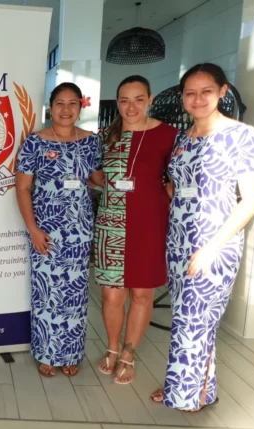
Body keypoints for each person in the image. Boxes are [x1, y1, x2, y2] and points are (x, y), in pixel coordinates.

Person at [150, 63, 254, 411]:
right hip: (179, 240)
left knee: (193, 318)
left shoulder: (242, 135)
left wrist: (210, 248)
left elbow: (251, 201)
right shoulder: (183, 138)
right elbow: (178, 187)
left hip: (215, 243)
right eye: (190, 92)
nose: (197, 99)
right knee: (192, 319)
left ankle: (185, 394)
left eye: (206, 91)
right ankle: (197, 387)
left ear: (222, 92)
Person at [92, 76, 179, 384]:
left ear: (150, 100)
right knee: (111, 295)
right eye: (124, 100)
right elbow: (95, 175)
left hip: (150, 223)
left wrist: (163, 194)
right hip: (111, 222)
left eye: (139, 100)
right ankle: (112, 348)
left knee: (142, 293)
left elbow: (180, 177)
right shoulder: (106, 136)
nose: (131, 107)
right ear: (117, 102)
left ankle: (128, 355)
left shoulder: (169, 135)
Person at [16, 82, 103, 378]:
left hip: (79, 231)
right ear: (50, 108)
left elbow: (97, 179)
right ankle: (47, 353)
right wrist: (32, 229)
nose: (66, 109)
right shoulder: (35, 142)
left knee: (75, 294)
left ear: (80, 107)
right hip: (46, 231)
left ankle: (71, 352)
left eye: (72, 103)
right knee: (47, 292)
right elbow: (23, 188)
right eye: (60, 103)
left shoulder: (91, 141)